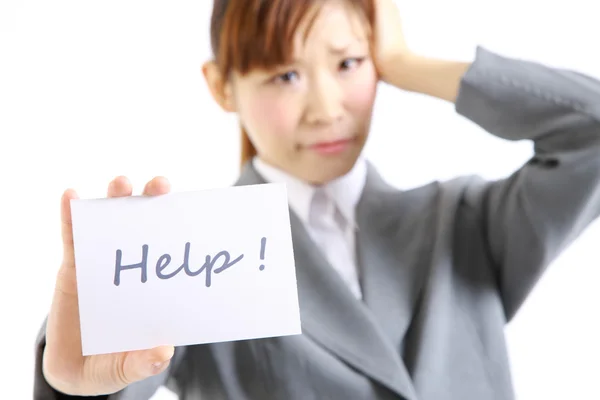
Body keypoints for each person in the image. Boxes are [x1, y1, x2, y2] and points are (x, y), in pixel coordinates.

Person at [34, 0, 600, 399]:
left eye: (348, 63)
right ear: (221, 85)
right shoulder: (188, 253)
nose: (327, 108)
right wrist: (69, 389)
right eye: (285, 75)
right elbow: (107, 375)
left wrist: (407, 64)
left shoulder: (463, 223)